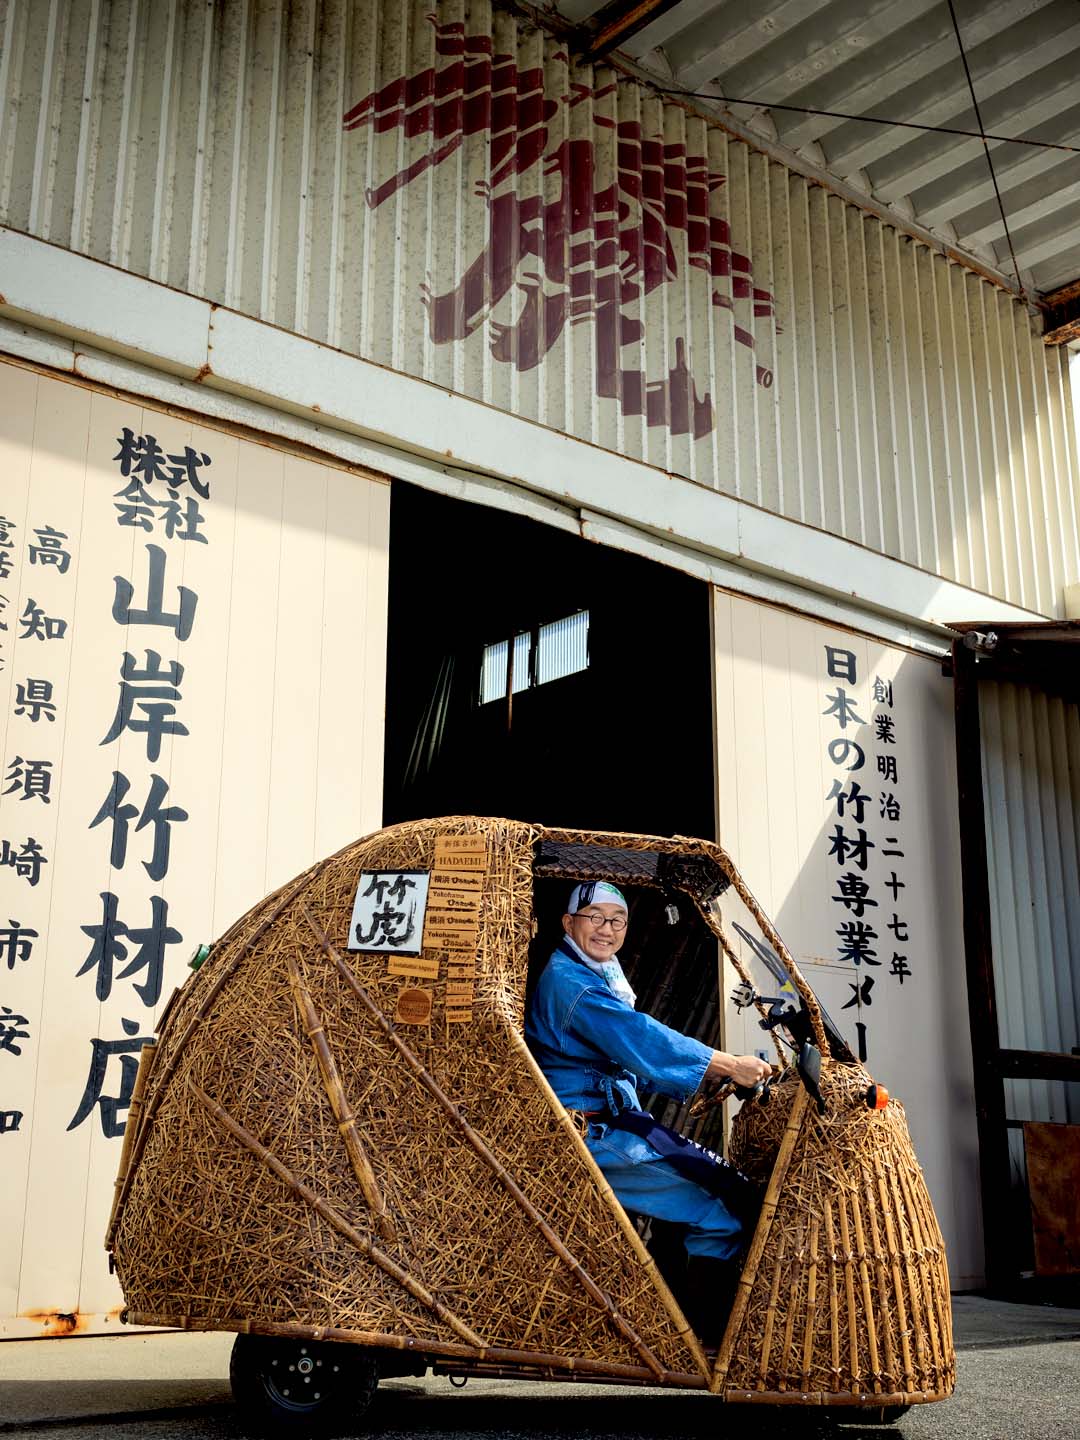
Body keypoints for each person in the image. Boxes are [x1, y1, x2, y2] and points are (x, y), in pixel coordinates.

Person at [525, 881, 772, 1347]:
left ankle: (671, 1323)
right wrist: (725, 1064)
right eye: (594, 917)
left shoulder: (597, 971)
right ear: (568, 923)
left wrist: (709, 1075)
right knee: (719, 1208)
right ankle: (704, 1340)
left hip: (612, 1119)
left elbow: (623, 1060)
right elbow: (639, 1038)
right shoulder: (572, 983)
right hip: (586, 1132)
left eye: (617, 920)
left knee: (711, 1180)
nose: (606, 929)